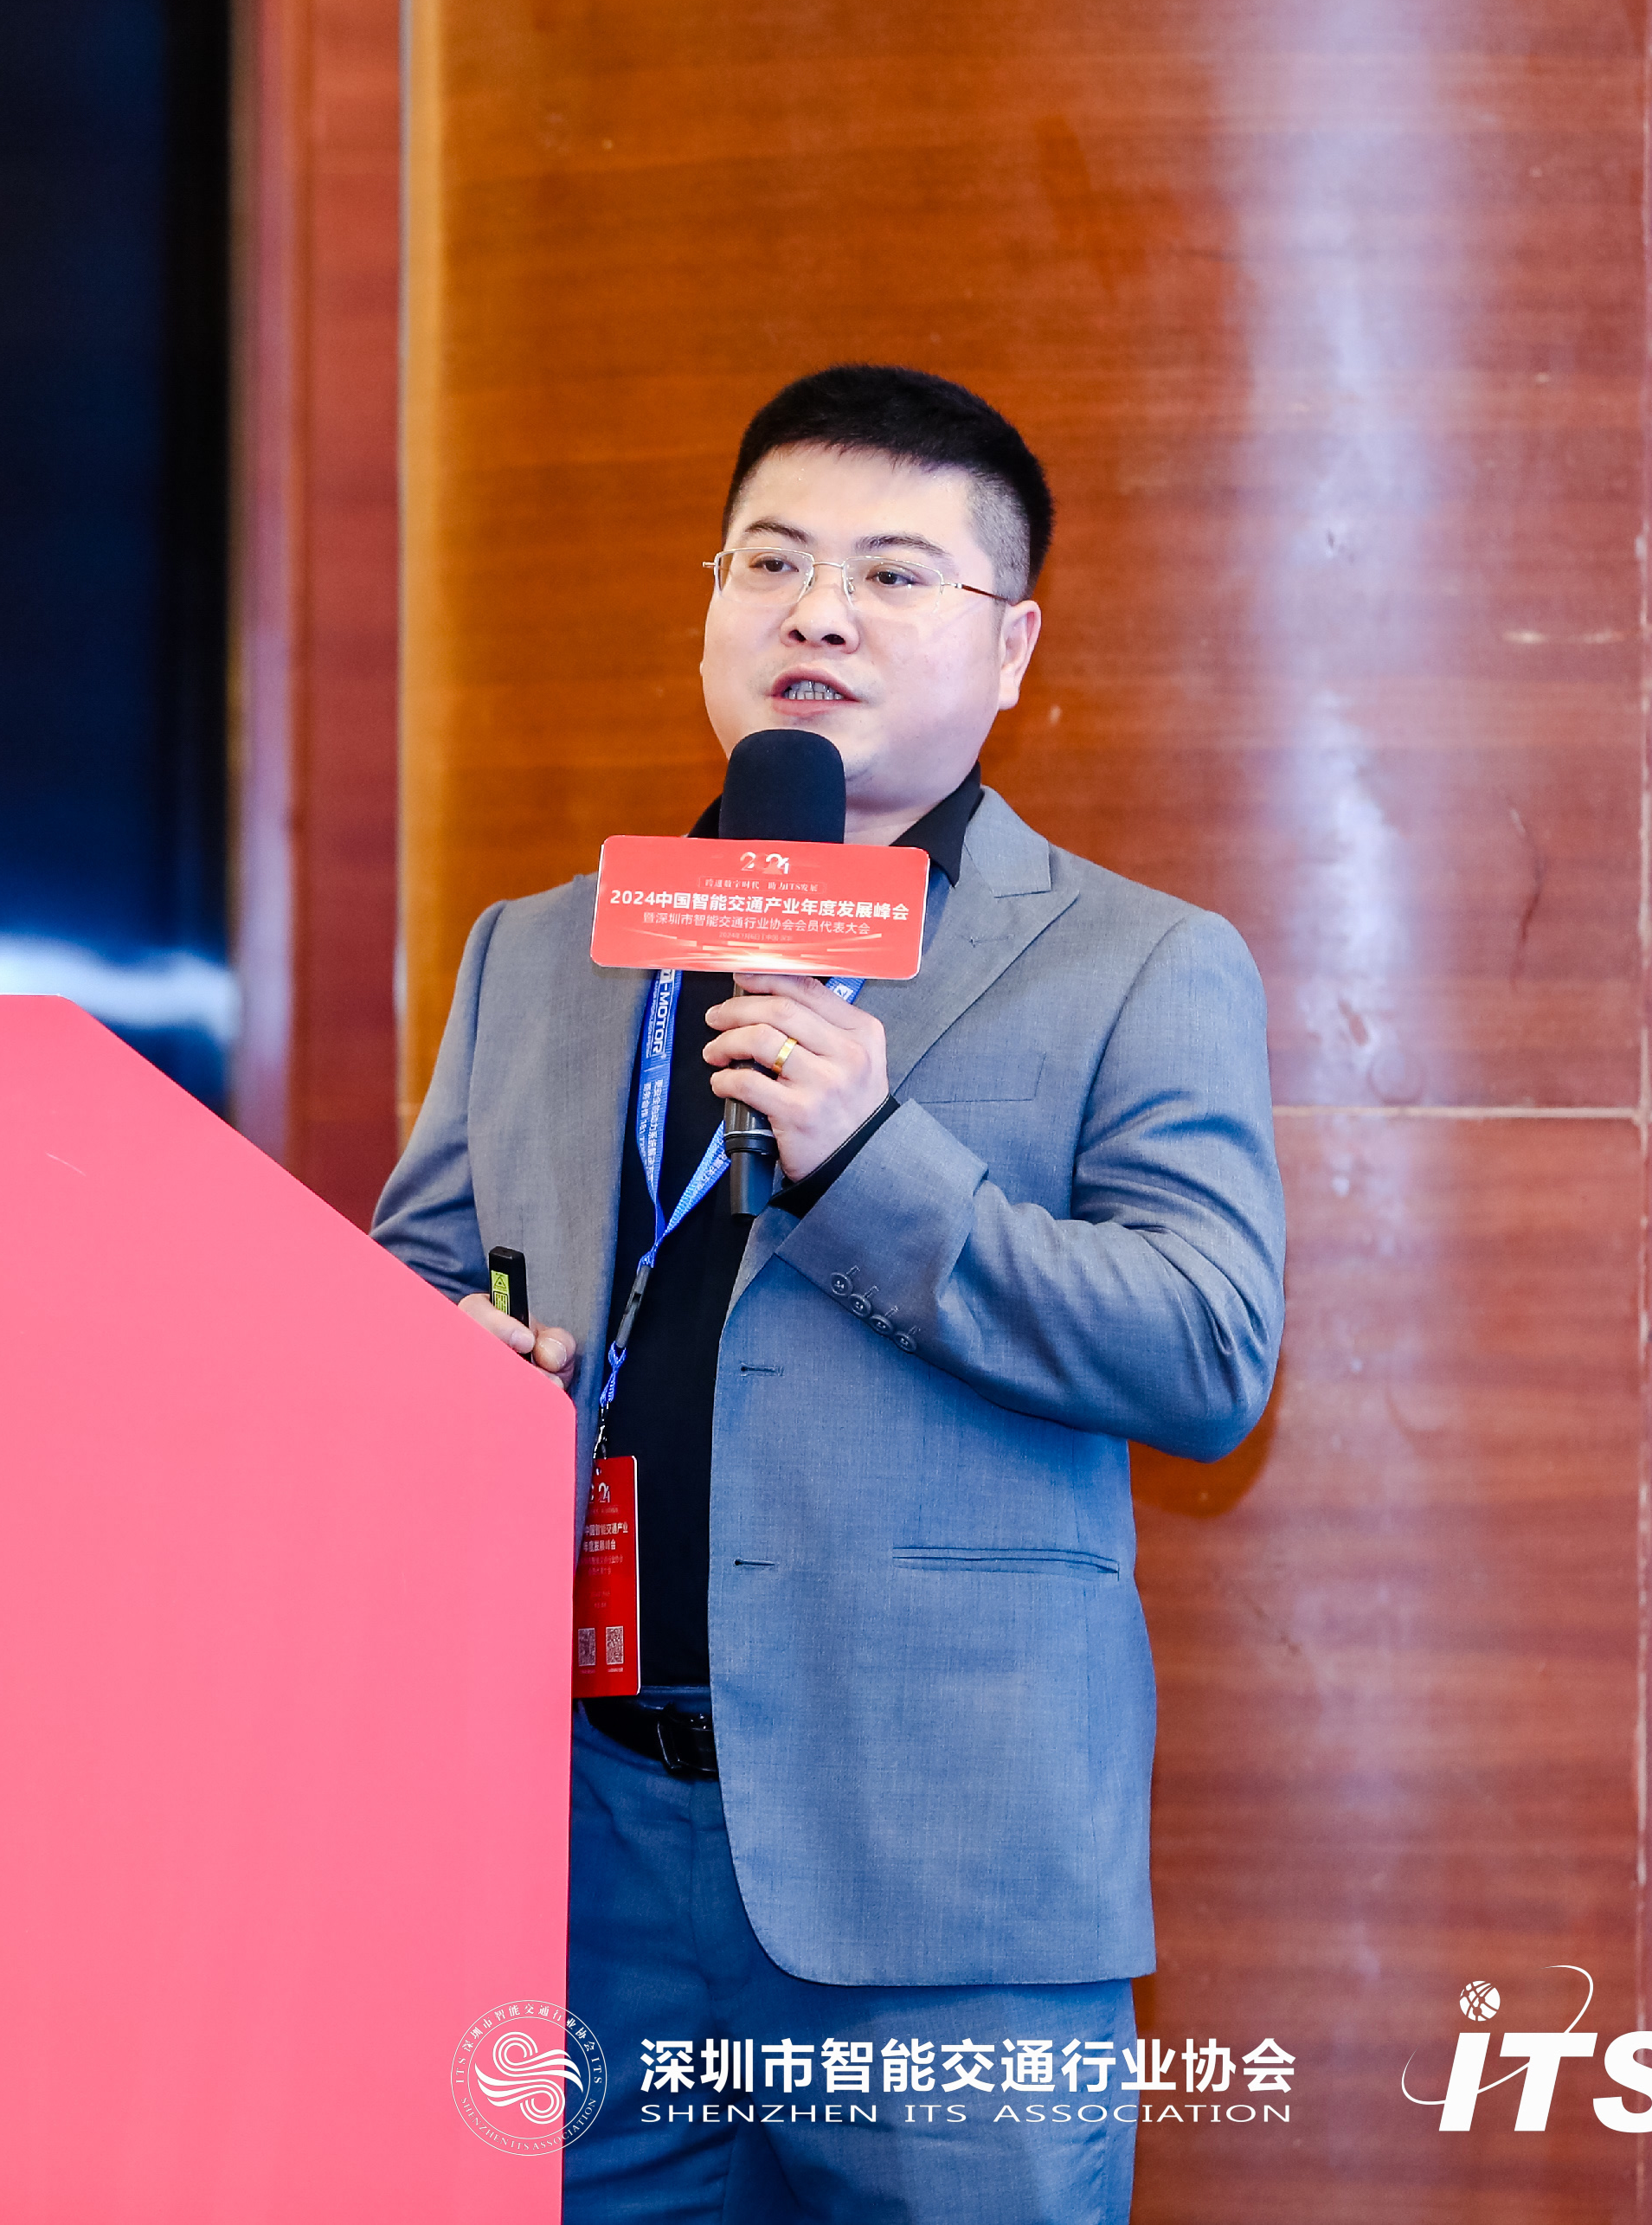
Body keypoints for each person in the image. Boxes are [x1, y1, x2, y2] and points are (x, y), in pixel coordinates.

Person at [374, 364, 1285, 2222]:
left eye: (890, 574)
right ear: (710, 607)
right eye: (773, 562)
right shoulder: (539, 950)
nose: (818, 613)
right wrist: (442, 1363)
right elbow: (410, 1284)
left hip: (940, 1888)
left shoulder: (1133, 962)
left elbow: (1207, 1348)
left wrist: (875, 1161)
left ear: (1012, 644)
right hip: (583, 1860)